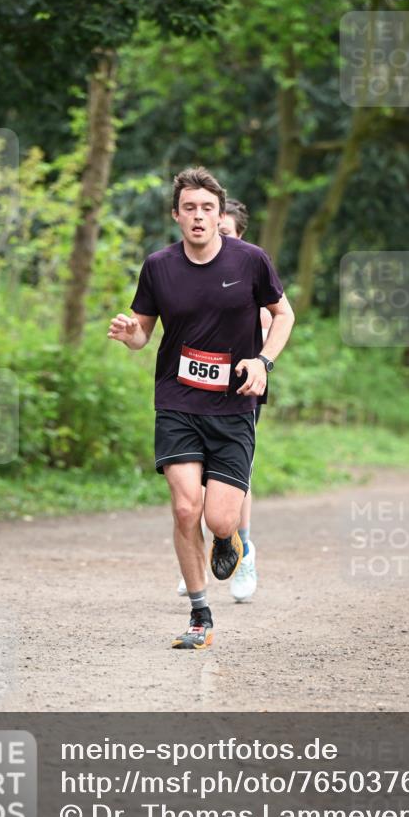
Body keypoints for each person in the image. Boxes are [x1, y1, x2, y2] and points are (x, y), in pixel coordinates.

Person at [108, 166, 294, 650]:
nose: (198, 216)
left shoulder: (251, 261)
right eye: (189, 208)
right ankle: (199, 614)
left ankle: (231, 540)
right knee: (185, 507)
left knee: (220, 521)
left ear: (219, 215)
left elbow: (283, 314)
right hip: (177, 401)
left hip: (234, 407)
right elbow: (145, 332)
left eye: (207, 208)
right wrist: (133, 337)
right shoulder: (158, 266)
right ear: (176, 215)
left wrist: (263, 362)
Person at [175, 198, 271, 603]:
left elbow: (273, 319)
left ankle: (241, 548)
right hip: (192, 394)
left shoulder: (250, 271)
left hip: (240, 390)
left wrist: (257, 359)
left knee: (231, 481)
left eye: (226, 232)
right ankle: (199, 558)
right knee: (190, 486)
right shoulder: (184, 270)